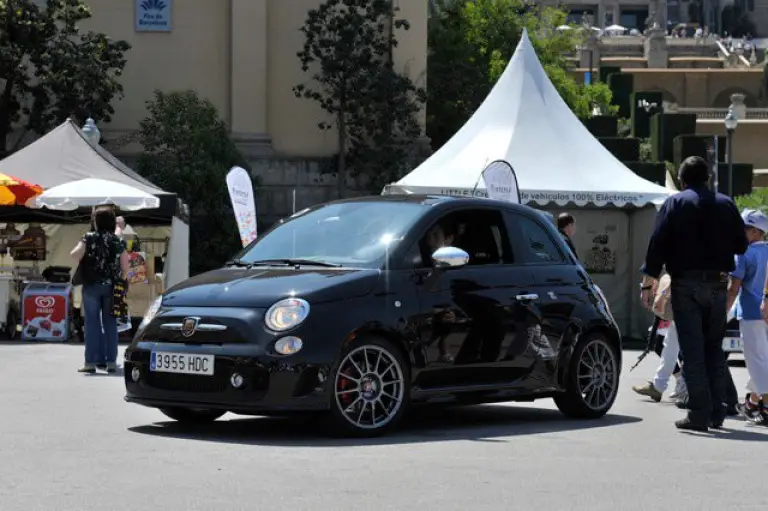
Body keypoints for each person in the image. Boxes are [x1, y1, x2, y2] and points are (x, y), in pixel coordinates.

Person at [639, 156, 748, 432]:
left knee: (692, 349)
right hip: (717, 285)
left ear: (684, 181)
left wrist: (649, 281)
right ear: (708, 179)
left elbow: (658, 243)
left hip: (686, 283)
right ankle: (717, 410)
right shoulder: (726, 204)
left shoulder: (675, 203)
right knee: (714, 348)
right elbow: (741, 245)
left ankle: (699, 413)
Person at [71, 206, 130, 374]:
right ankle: (111, 362)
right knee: (110, 324)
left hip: (91, 285)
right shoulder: (117, 240)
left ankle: (90, 363)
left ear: (95, 222)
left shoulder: (88, 237)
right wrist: (121, 280)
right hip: (112, 287)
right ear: (112, 222)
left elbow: (74, 255)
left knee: (91, 324)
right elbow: (125, 266)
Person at [728, 209, 768, 423]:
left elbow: (734, 288)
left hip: (751, 313)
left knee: (756, 361)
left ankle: (766, 406)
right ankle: (752, 402)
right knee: (764, 360)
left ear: (755, 231)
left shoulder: (744, 254)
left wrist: (723, 311)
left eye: (744, 228)